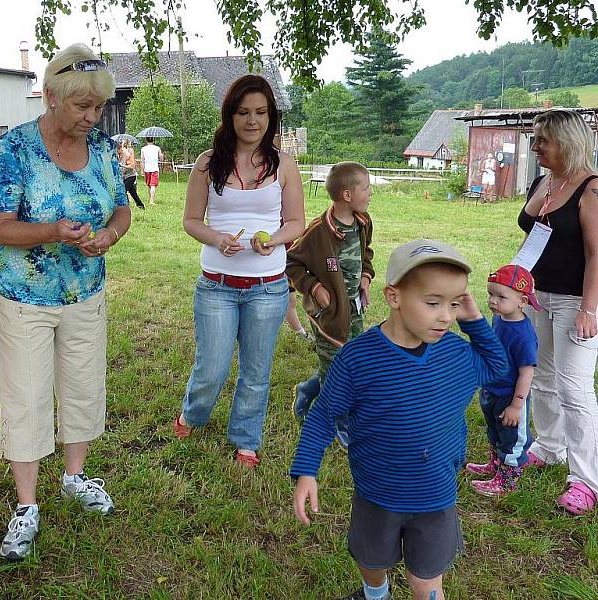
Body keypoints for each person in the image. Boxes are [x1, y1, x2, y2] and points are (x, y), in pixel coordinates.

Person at [292, 239, 507, 600]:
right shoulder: (359, 359)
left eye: (454, 304)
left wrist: (474, 321)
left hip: (435, 495)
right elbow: (324, 415)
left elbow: (497, 367)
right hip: (377, 490)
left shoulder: (456, 353)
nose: (445, 316)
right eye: (433, 303)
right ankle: (375, 593)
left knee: (426, 579)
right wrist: (307, 471)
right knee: (371, 558)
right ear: (394, 297)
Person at [0, 43, 131, 561]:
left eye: (98, 107)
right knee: (26, 394)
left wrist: (108, 237)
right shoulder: (13, 151)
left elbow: (120, 210)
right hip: (24, 294)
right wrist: (52, 231)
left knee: (83, 384)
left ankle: (74, 477)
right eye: (82, 107)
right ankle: (26, 505)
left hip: (84, 291)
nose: (93, 117)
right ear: (50, 97)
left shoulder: (106, 150)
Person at [174, 74, 306, 467]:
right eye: (244, 112)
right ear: (230, 115)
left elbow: (296, 222)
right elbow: (191, 220)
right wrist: (216, 239)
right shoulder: (208, 163)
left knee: (256, 370)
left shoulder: (284, 164)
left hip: (268, 288)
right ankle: (193, 414)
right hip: (216, 286)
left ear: (271, 117)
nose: (253, 120)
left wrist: (275, 239)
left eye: (261, 112)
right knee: (211, 366)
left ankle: (246, 438)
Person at [517, 109, 598, 515]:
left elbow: (596, 253)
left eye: (542, 141)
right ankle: (549, 447)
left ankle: (586, 480)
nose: (535, 148)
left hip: (575, 303)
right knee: (542, 378)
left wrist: (590, 308)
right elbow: (534, 241)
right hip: (538, 297)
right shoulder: (543, 182)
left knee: (575, 389)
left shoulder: (591, 188)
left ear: (566, 142)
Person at [287, 162, 374, 425]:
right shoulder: (319, 231)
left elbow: (365, 253)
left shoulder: (362, 222)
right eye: (367, 188)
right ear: (347, 195)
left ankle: (308, 389)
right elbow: (291, 262)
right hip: (327, 314)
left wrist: (365, 277)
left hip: (353, 309)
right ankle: (338, 422)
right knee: (334, 368)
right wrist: (315, 287)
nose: (370, 194)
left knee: (352, 362)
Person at [466, 264, 540, 496]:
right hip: (491, 389)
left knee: (512, 438)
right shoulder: (499, 319)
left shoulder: (523, 334)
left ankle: (507, 481)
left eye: (501, 296)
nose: (493, 301)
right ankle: (495, 465)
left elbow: (527, 372)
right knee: (494, 430)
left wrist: (517, 405)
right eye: (490, 294)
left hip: (510, 396)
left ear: (522, 301)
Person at [118, 138, 145, 209]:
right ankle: (141, 206)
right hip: (123, 176)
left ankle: (124, 207)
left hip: (131, 176)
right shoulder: (118, 155)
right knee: (133, 193)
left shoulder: (129, 153)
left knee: (123, 191)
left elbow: (132, 166)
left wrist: (122, 165)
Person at [141, 137, 164, 204]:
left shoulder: (143, 149)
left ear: (146, 140)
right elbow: (161, 159)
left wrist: (142, 170)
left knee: (149, 185)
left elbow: (142, 160)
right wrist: (162, 155)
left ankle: (150, 198)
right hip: (154, 169)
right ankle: (151, 201)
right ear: (153, 140)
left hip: (147, 169)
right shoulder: (157, 148)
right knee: (153, 185)